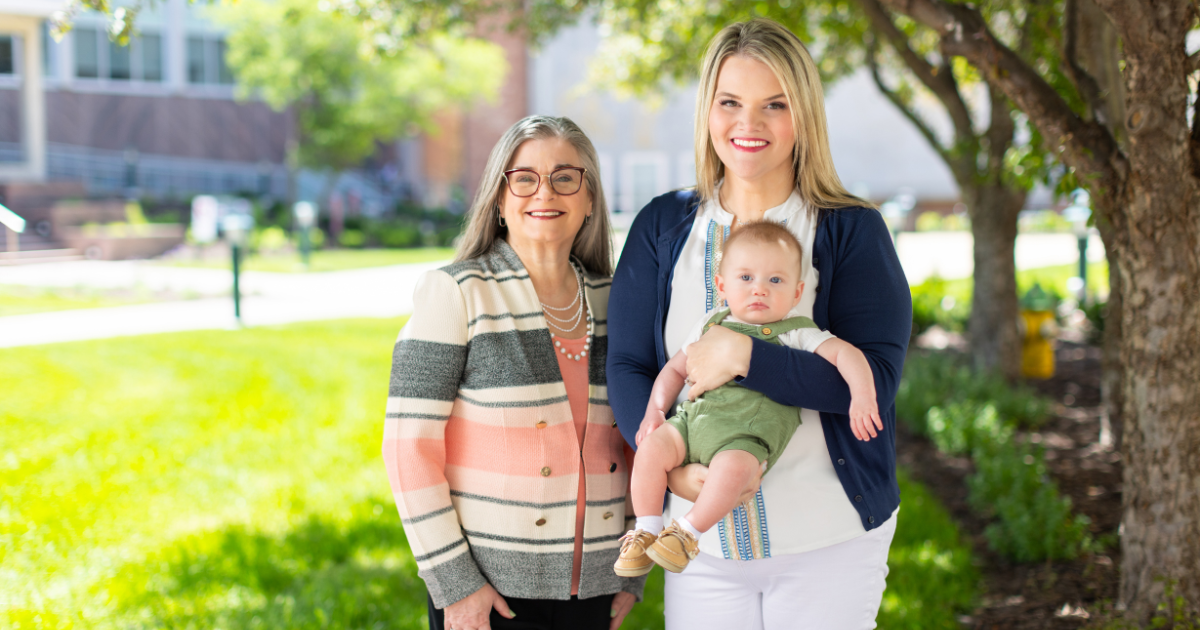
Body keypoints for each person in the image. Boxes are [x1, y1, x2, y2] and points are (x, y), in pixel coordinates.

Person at [606, 18, 912, 630]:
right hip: (699, 545)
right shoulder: (663, 227)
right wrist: (669, 464)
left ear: (803, 116)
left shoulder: (849, 229)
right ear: (708, 111)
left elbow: (872, 380)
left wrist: (746, 358)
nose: (749, 124)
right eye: (730, 103)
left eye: (775, 104)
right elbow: (630, 364)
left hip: (828, 534)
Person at [383, 115, 643, 630]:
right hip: (488, 593)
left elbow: (639, 441)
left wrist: (631, 570)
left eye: (566, 177)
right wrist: (457, 584)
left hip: (597, 586)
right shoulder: (456, 293)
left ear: (589, 199)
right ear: (499, 200)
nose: (544, 192)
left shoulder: (618, 301)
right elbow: (407, 449)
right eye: (524, 178)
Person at [613, 221, 883, 577]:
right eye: (746, 278)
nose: (760, 290)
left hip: (744, 437)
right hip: (692, 423)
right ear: (722, 287)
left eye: (775, 280)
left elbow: (848, 355)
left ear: (797, 291)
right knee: (650, 449)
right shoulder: (711, 323)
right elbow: (675, 370)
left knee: (737, 471)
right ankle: (646, 530)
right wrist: (655, 411)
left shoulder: (797, 331)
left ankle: (686, 533)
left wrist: (862, 398)